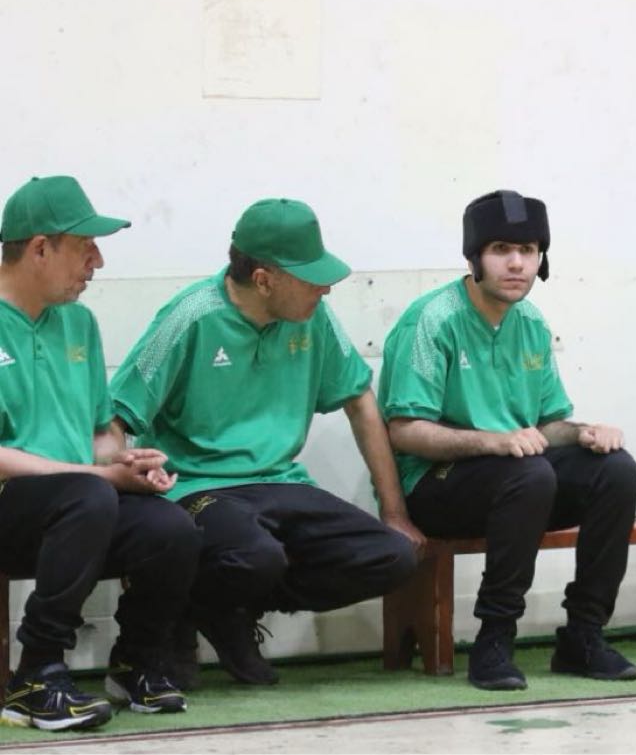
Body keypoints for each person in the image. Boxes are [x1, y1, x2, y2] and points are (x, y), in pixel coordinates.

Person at [108, 197, 425, 686]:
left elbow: (361, 401)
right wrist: (129, 490)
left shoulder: (314, 316)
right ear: (264, 279)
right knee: (256, 556)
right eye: (311, 278)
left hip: (281, 480)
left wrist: (395, 512)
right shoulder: (191, 316)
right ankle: (186, 614)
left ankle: (222, 610)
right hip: (198, 485)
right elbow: (118, 413)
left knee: (391, 556)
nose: (325, 288)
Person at [379, 190, 636, 691]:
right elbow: (404, 431)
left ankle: (584, 635)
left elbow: (547, 426)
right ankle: (495, 639)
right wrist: (494, 442)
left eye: (529, 250)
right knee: (529, 474)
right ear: (474, 257)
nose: (517, 263)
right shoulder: (432, 319)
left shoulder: (532, 323)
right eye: (501, 249)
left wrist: (583, 433)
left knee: (615, 470)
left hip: (520, 480)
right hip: (434, 487)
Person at [0, 176, 200, 730]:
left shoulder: (79, 322)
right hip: (15, 504)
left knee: (172, 527)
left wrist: (122, 462)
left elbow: (98, 432)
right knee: (87, 496)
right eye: (85, 247)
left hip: (77, 506)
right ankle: (35, 676)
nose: (98, 262)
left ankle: (137, 662)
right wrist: (98, 476)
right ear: (40, 248)